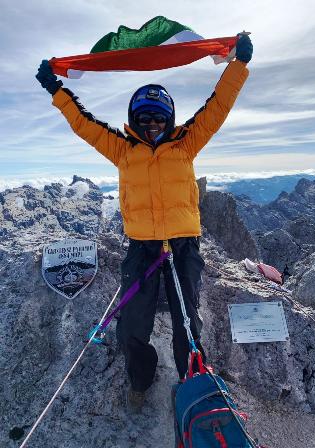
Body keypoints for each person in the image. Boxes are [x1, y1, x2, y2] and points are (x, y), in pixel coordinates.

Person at [36, 34, 253, 411]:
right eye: (144, 118)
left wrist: (238, 66)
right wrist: (56, 89)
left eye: (158, 117)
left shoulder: (187, 141)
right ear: (135, 120)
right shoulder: (122, 149)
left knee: (189, 322)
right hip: (142, 247)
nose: (152, 124)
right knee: (132, 324)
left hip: (183, 245)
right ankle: (141, 379)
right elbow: (84, 124)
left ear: (169, 118)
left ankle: (192, 384)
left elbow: (217, 107)